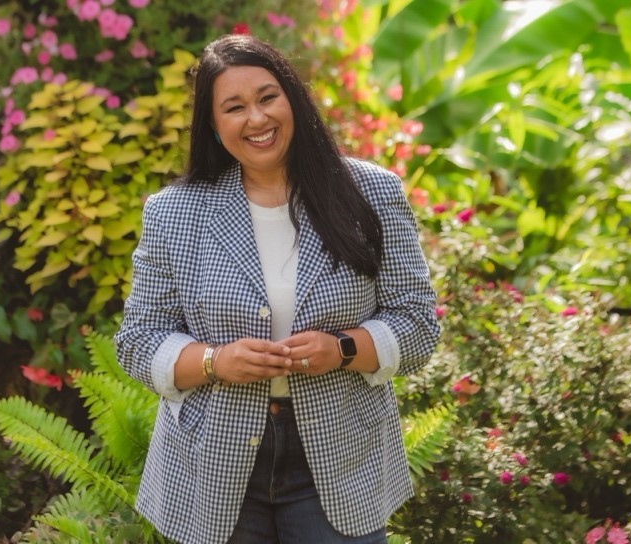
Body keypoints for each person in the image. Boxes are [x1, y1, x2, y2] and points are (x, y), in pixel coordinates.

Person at [114, 33, 440, 544]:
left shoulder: (371, 192)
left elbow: (418, 322)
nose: (258, 119)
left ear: (292, 98)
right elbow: (137, 341)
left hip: (340, 459)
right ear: (215, 127)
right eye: (235, 107)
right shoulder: (175, 212)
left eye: (268, 97)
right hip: (212, 466)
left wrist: (343, 349)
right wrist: (214, 361)